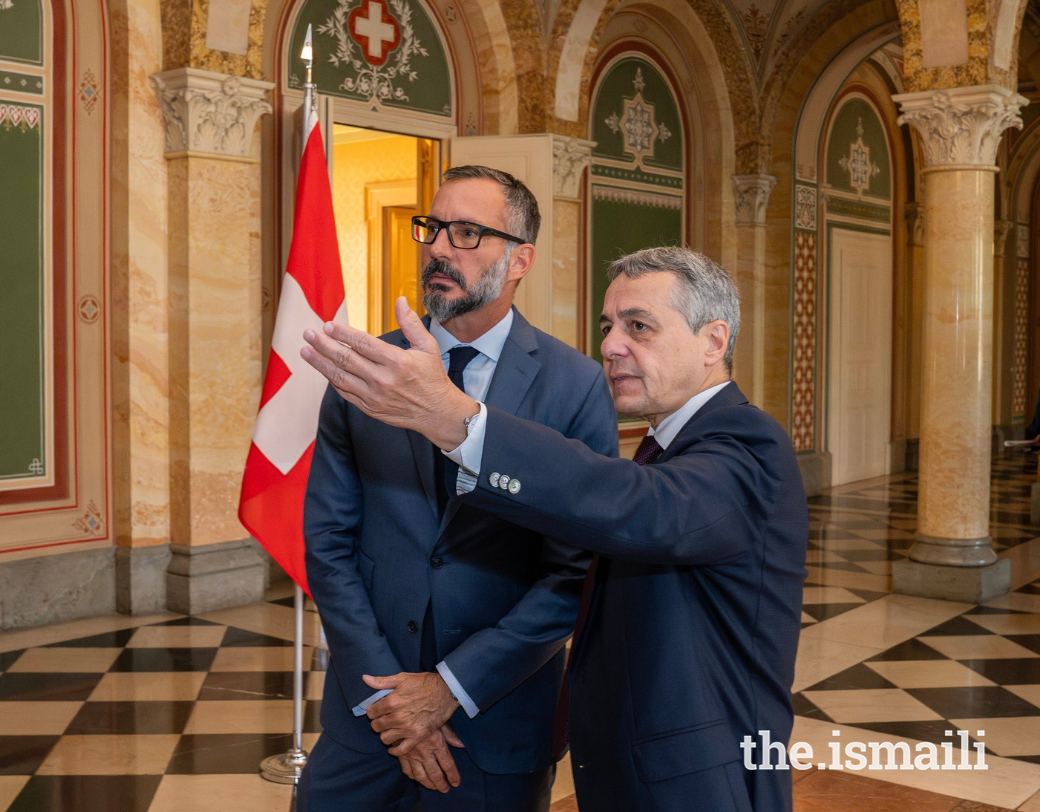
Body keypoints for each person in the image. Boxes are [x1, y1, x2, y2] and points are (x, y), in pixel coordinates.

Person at [300, 246, 807, 812]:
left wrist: (461, 424)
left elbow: (639, 508)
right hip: (643, 770)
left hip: (700, 778)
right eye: (609, 325)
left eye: (639, 326)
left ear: (714, 342)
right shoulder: (670, 447)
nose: (612, 346)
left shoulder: (746, 443)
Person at [299, 166, 615, 812]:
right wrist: (391, 700)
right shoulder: (365, 372)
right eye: (433, 228)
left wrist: (448, 687)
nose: (439, 248)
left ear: (520, 258)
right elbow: (328, 545)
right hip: (367, 720)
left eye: (468, 233)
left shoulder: (574, 385)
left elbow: (573, 573)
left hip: (494, 721)